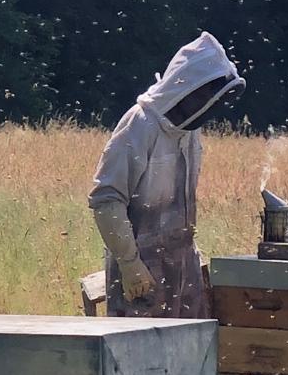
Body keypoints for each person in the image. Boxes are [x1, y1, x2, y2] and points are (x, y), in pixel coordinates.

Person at [89, 32, 246, 317]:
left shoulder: (189, 131)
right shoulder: (140, 124)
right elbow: (106, 199)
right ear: (188, 88)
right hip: (142, 272)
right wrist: (129, 263)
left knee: (186, 353)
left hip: (183, 264)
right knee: (139, 356)